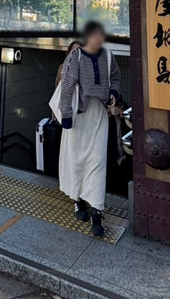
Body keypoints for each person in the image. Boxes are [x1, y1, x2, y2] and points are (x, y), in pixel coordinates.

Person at [58, 21, 122, 237]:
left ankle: (97, 211)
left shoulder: (108, 56)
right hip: (78, 117)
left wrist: (114, 93)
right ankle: (77, 201)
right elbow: (66, 85)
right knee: (76, 160)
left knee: (97, 162)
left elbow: (115, 78)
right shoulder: (75, 57)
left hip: (98, 116)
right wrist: (66, 115)